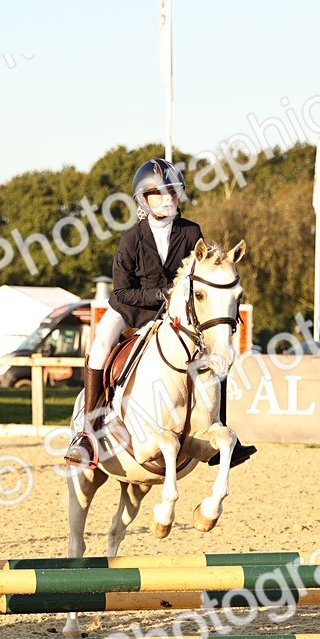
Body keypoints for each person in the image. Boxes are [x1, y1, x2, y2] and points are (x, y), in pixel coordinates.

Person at [65, 157, 256, 468]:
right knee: (100, 347)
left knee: (215, 354)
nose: (167, 200)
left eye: (172, 193)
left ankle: (221, 429)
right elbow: (121, 291)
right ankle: (88, 433)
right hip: (130, 310)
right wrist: (157, 294)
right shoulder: (131, 238)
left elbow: (200, 274)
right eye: (158, 195)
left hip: (173, 313)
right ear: (145, 200)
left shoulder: (192, 231)